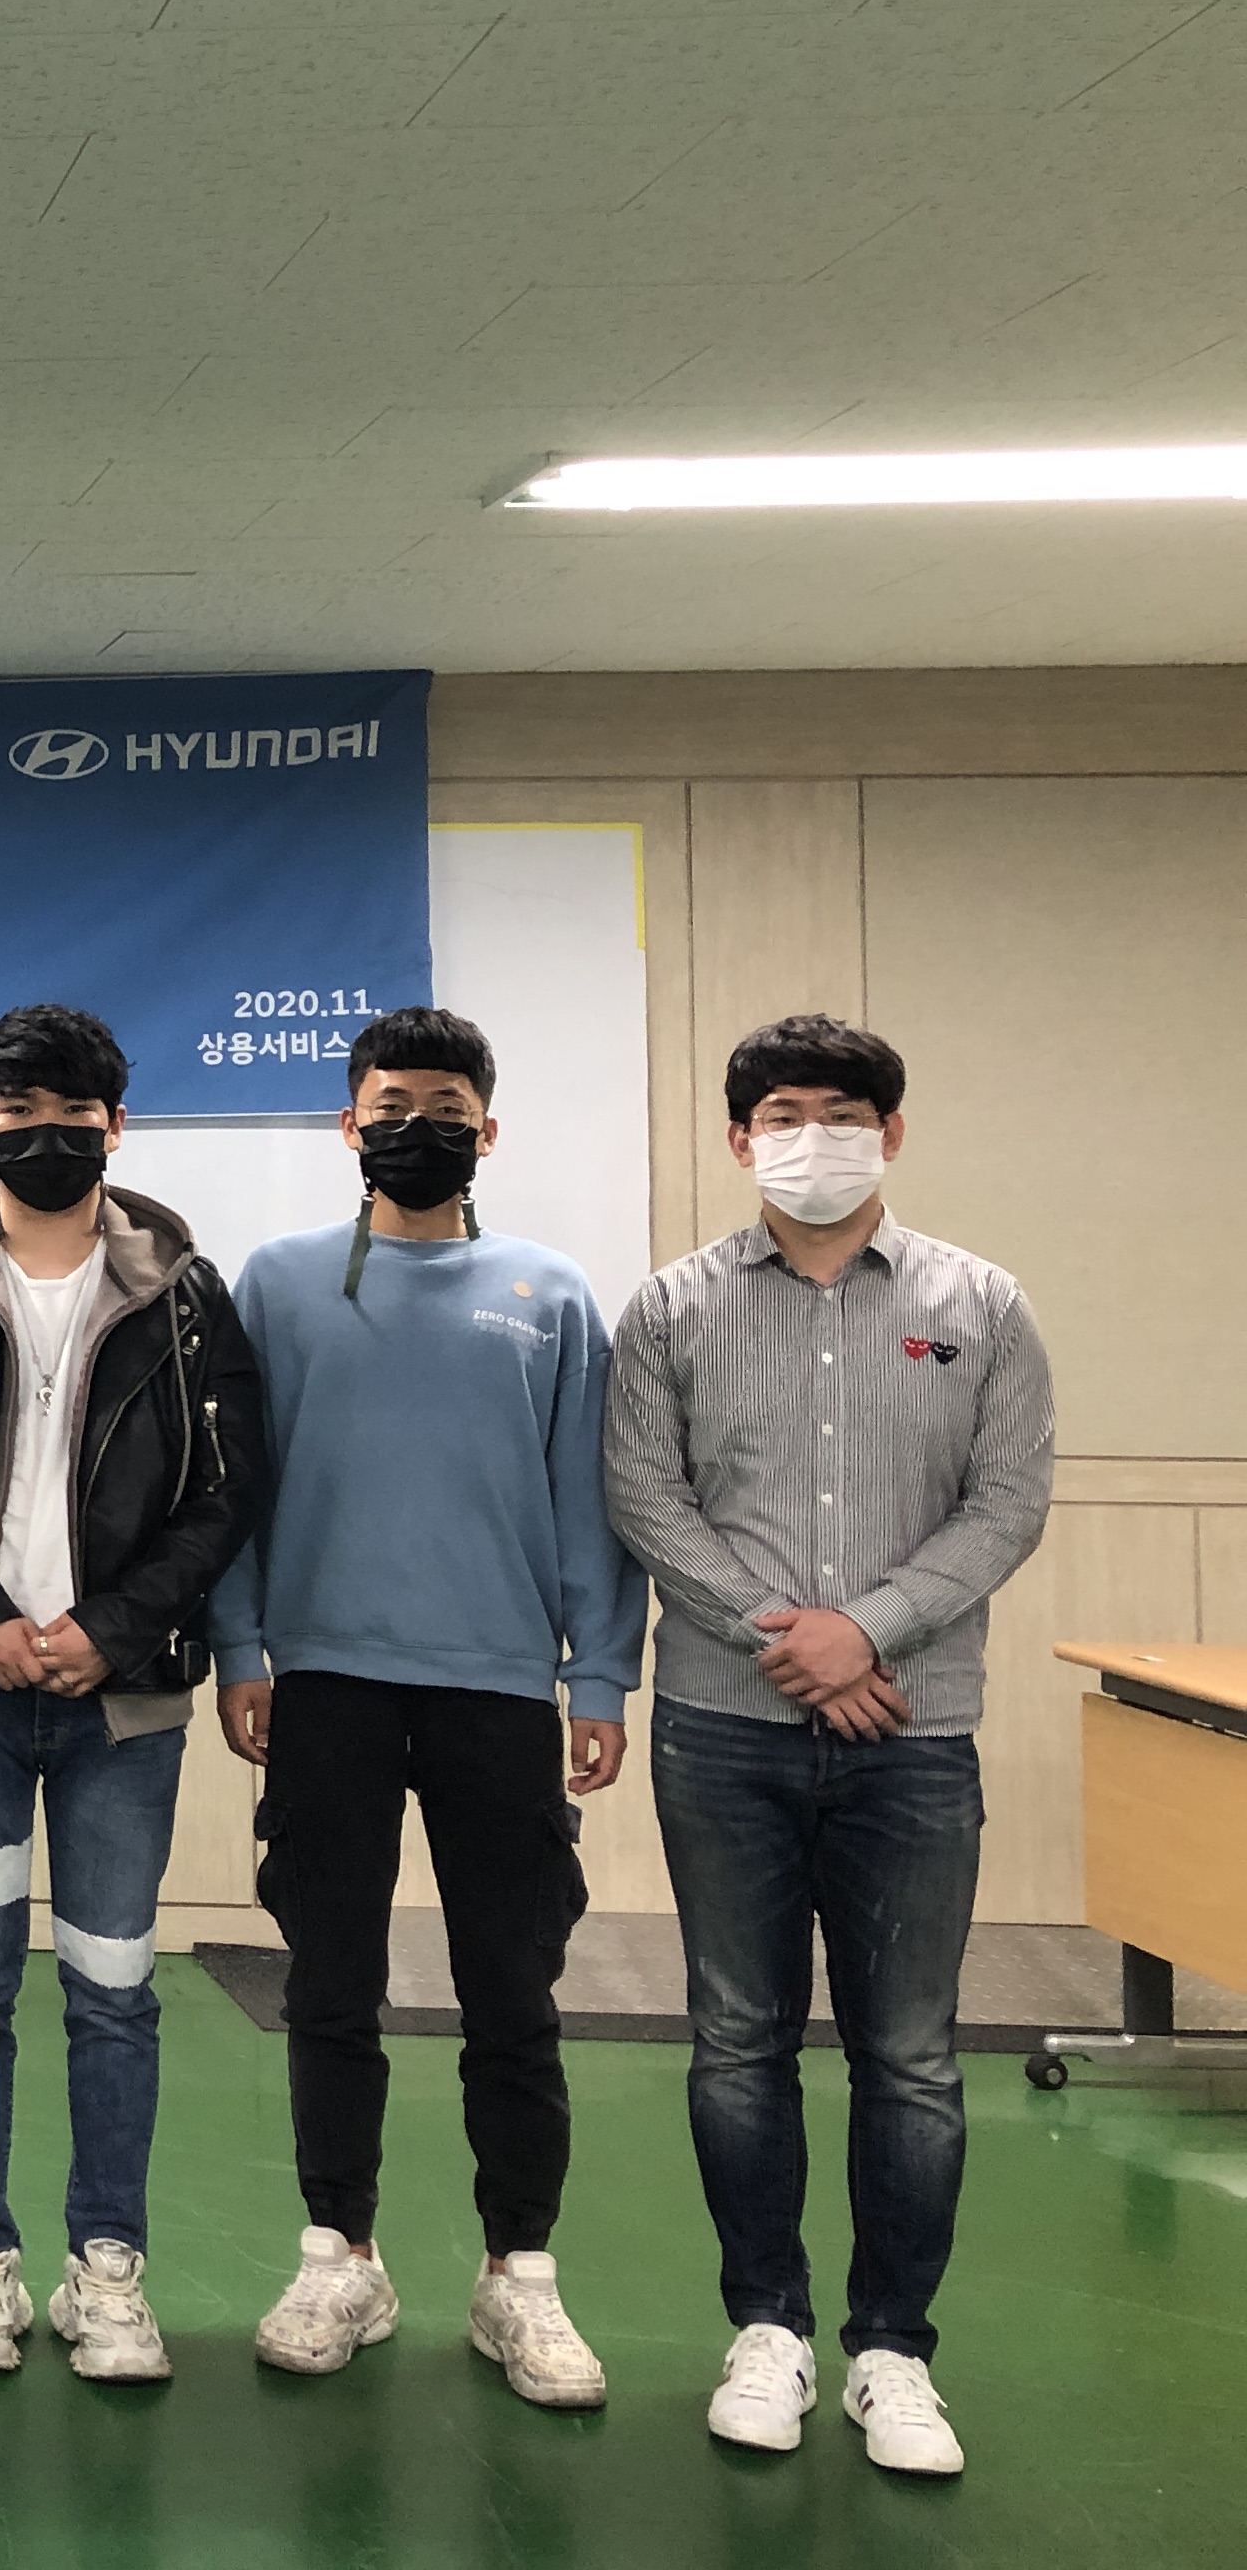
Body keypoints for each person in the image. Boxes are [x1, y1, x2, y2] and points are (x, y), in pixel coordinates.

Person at [604, 1016, 1050, 2478]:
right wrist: (787, 1639)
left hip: (914, 1734)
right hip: (722, 1732)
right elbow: (647, 1498)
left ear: (892, 1133)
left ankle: (893, 2351)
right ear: (741, 1139)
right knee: (738, 2038)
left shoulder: (982, 1305)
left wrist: (866, 1630)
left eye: (843, 1113)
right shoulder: (670, 1309)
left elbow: (1007, 1503)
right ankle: (767, 2329)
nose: (814, 1138)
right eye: (784, 1114)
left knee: (909, 2054)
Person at [210, 1004, 638, 2412]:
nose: (416, 1128)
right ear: (349, 1124)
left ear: (487, 1132)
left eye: (446, 1110)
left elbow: (588, 1499)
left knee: (511, 1990)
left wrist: (597, 1672)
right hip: (323, 1681)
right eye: (390, 1106)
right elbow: (239, 1490)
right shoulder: (277, 1283)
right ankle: (340, 2252)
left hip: (498, 1687)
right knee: (329, 1985)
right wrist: (240, 1646)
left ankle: (522, 2273)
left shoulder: (550, 1293)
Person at [0, 1003, 261, 2386]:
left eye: (74, 1114)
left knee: (113, 1990)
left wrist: (109, 1630)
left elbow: (224, 1497)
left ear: (115, 1126)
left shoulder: (186, 1295)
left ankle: (107, 2270)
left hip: (119, 1708)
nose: (47, 1136)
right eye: (17, 1115)